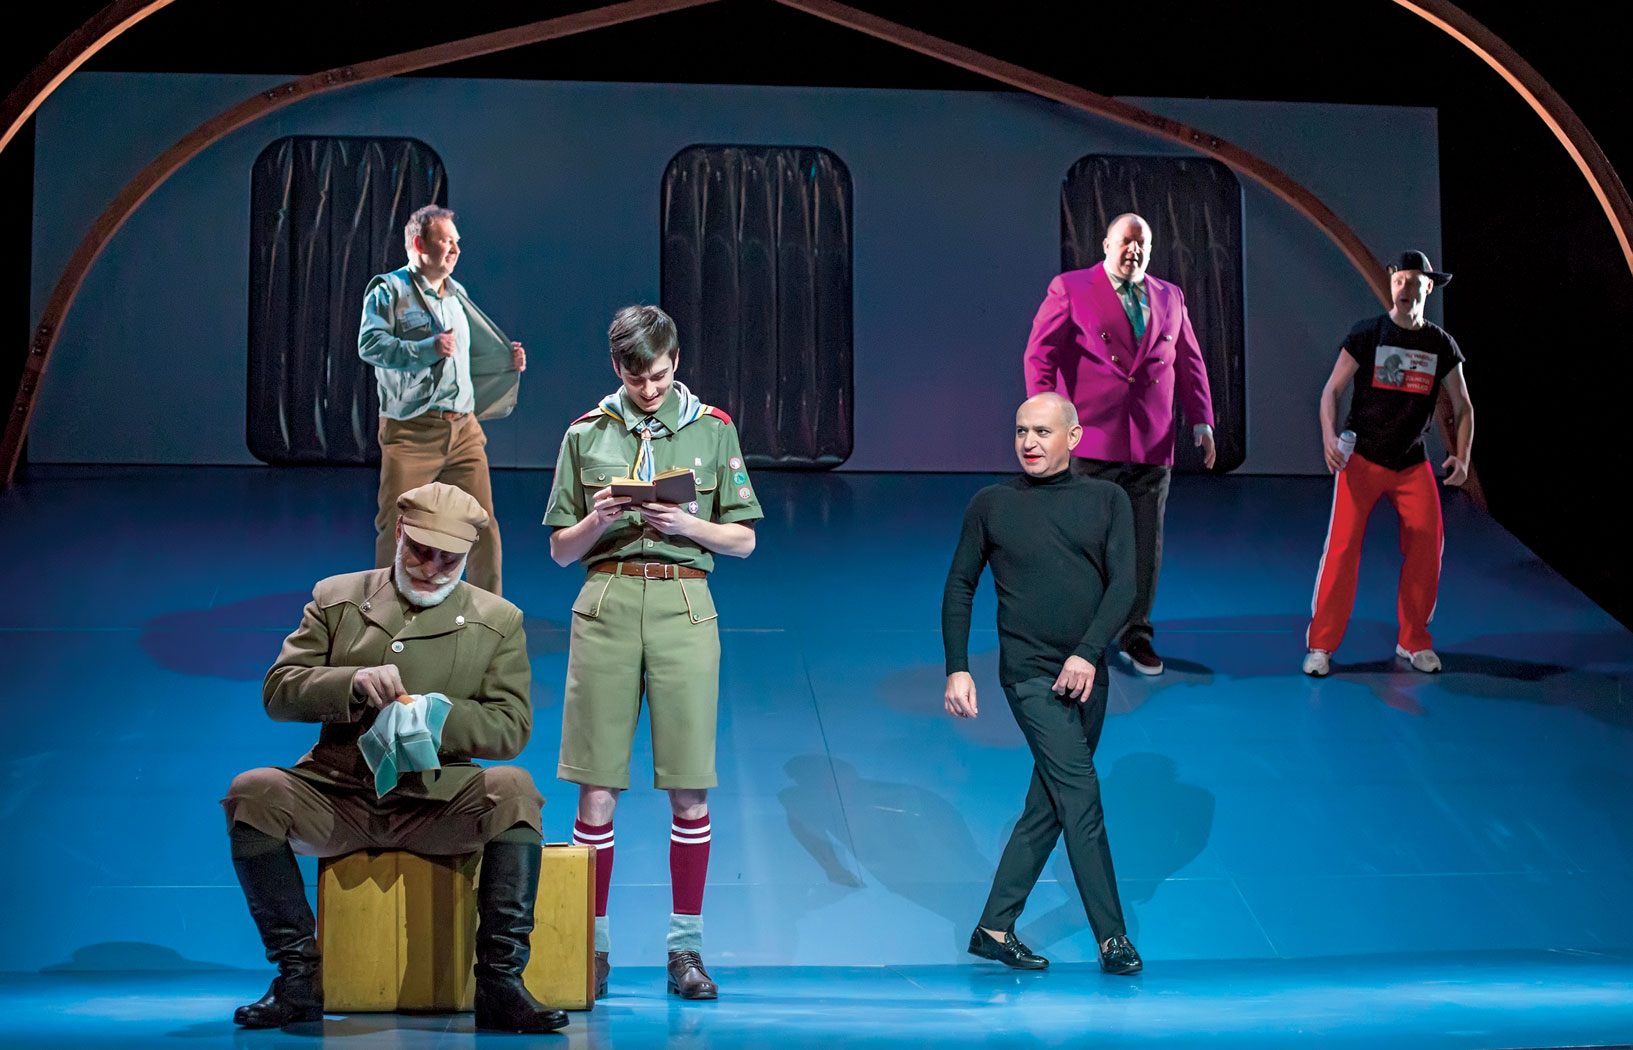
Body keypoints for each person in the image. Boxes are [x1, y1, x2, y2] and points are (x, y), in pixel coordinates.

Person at [220, 482, 566, 1034]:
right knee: (253, 791)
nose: (432, 568)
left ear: (468, 554)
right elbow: (279, 691)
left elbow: (511, 728)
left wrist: (437, 714)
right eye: (420, 551)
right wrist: (351, 682)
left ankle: (501, 984)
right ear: (399, 533)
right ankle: (297, 979)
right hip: (337, 791)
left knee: (514, 788)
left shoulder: (498, 620)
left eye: (448, 558)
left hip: (435, 799)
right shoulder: (336, 597)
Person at [542, 305, 763, 1000]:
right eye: (637, 377)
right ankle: (592, 949)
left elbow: (744, 539)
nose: (649, 389)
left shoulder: (713, 429)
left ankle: (685, 951)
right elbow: (560, 550)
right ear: (617, 368)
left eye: (660, 375)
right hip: (606, 602)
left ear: (676, 362)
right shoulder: (586, 433)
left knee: (689, 789)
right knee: (596, 789)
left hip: (684, 603)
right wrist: (596, 518)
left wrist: (687, 525)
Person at [942, 392, 1143, 976]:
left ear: (1073, 438)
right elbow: (960, 585)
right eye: (1020, 431)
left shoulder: (1107, 500)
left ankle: (993, 927)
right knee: (1079, 795)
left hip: (1088, 676)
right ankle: (1113, 939)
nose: (1028, 442)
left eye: (1042, 432)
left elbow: (1125, 586)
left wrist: (1087, 652)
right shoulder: (992, 504)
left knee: (1049, 804)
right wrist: (958, 666)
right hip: (1030, 676)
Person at [1023, 213, 1216, 677]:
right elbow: (1040, 354)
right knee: (1082, 544)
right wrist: (1044, 420)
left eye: (1142, 244)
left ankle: (1136, 634)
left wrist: (1203, 421)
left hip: (1152, 441)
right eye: (1126, 241)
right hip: (1091, 438)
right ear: (1106, 245)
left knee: (1145, 545)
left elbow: (1189, 361)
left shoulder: (1170, 296)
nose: (1134, 250)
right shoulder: (1071, 288)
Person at [1304, 251, 1474, 677]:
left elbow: (1464, 407)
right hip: (1361, 459)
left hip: (1411, 464)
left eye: (1413, 281)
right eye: (1399, 281)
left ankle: (1413, 640)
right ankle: (1321, 645)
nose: (1404, 288)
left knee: (1427, 544)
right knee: (1342, 549)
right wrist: (1328, 437)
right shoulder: (1368, 334)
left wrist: (1462, 455)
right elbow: (1331, 391)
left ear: (1427, 287)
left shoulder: (1440, 345)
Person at [358, 204, 527, 596]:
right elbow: (370, 345)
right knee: (397, 523)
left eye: (457, 242)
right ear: (419, 244)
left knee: (481, 524)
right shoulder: (388, 291)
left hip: (463, 429)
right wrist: (426, 348)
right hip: (411, 431)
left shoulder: (456, 294)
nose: (455, 249)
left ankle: (489, 611)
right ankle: (385, 609)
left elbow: (466, 358)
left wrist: (507, 361)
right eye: (446, 241)